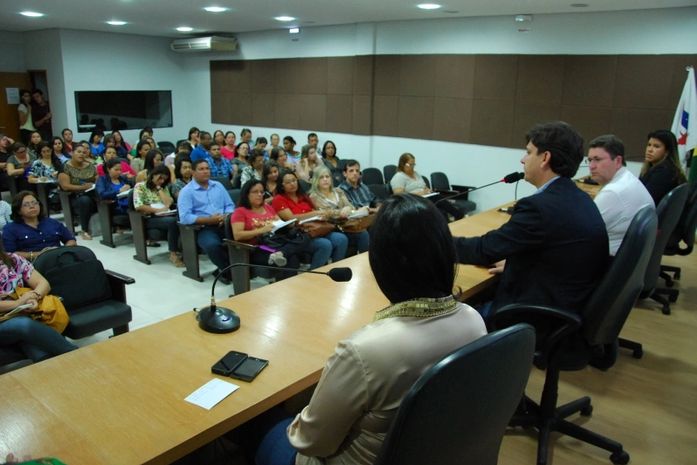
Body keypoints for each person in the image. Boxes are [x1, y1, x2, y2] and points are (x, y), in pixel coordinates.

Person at [255, 194, 487, 465]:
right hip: (438, 449)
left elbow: (310, 442)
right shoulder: (473, 320)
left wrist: (298, 415)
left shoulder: (364, 351)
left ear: (381, 262)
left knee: (263, 425)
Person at [454, 121, 608, 320]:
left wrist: (435, 241)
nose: (522, 159)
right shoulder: (578, 197)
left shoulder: (539, 208)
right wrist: (514, 263)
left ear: (545, 157)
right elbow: (554, 253)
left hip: (534, 315)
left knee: (448, 320)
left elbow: (484, 250)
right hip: (566, 303)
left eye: (528, 152)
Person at [0, 241, 77, 362]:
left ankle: (58, 373)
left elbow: (43, 283)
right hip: (8, 319)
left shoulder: (12, 259)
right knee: (23, 325)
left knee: (35, 345)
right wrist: (17, 303)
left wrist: (34, 296)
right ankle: (76, 354)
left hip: (22, 312)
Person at [588, 135, 654, 256]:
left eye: (597, 159)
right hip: (629, 259)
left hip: (607, 262)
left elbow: (581, 233)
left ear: (618, 161)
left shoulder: (613, 192)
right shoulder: (627, 178)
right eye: (590, 160)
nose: (591, 166)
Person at [231, 180, 311, 280]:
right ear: (246, 194)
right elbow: (238, 235)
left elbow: (278, 222)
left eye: (261, 192)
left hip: (277, 241)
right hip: (259, 247)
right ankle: (285, 288)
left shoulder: (267, 207)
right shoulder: (240, 212)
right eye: (255, 192)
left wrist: (287, 225)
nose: (259, 195)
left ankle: (281, 253)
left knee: (304, 237)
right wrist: (262, 230)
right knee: (292, 259)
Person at [178, 159, 235, 281]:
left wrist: (226, 215)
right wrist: (209, 220)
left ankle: (231, 269)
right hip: (204, 228)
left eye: (207, 168)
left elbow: (230, 205)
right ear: (193, 172)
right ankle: (229, 270)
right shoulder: (187, 191)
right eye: (201, 169)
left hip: (225, 223)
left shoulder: (218, 185)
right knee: (212, 245)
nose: (205, 171)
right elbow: (185, 217)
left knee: (242, 238)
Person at [272, 170, 342, 269]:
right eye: (288, 182)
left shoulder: (303, 196)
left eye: (294, 180)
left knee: (340, 239)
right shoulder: (278, 199)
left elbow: (316, 210)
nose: (292, 184)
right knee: (325, 244)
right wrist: (314, 213)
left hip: (316, 228)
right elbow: (291, 218)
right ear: (282, 185)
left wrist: (322, 215)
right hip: (300, 234)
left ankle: (337, 271)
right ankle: (313, 276)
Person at [310, 166, 369, 253]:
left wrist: (347, 208)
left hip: (346, 224)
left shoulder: (338, 191)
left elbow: (350, 206)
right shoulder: (313, 196)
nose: (325, 179)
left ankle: (365, 262)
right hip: (330, 227)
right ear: (316, 180)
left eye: (327, 176)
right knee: (343, 238)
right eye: (321, 177)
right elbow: (326, 213)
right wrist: (341, 212)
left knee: (363, 233)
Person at [2, 191, 76, 261]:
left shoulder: (52, 223)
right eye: (26, 205)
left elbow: (71, 240)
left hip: (59, 259)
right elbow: (10, 254)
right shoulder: (10, 229)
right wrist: (38, 254)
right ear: (18, 210)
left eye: (34, 203)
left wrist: (61, 251)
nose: (32, 206)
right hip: (31, 267)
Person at [134, 165, 183, 267]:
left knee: (180, 219)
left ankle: (184, 250)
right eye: (159, 178)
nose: (161, 181)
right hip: (149, 218)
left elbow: (169, 202)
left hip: (164, 215)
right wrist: (157, 210)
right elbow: (139, 206)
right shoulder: (140, 186)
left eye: (164, 179)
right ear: (153, 175)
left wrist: (159, 189)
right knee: (172, 222)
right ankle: (173, 254)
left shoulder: (162, 187)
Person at [391, 152, 463, 221]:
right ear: (403, 164)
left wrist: (428, 191)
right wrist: (420, 193)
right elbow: (399, 195)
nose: (413, 167)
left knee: (440, 206)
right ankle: (458, 214)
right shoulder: (398, 177)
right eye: (410, 165)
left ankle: (450, 223)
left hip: (425, 197)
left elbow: (424, 186)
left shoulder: (416, 174)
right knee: (438, 199)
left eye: (414, 164)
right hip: (413, 201)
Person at [57, 144, 98, 240]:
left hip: (92, 193)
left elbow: (97, 178)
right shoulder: (65, 167)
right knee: (85, 200)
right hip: (74, 197)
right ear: (72, 153)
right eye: (78, 152)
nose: (81, 154)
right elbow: (65, 186)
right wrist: (82, 187)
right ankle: (85, 230)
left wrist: (95, 183)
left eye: (84, 152)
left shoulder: (90, 165)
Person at [639, 129, 687, 206]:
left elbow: (643, 200)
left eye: (656, 146)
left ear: (667, 151)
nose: (650, 150)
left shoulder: (666, 172)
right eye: (649, 145)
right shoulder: (651, 169)